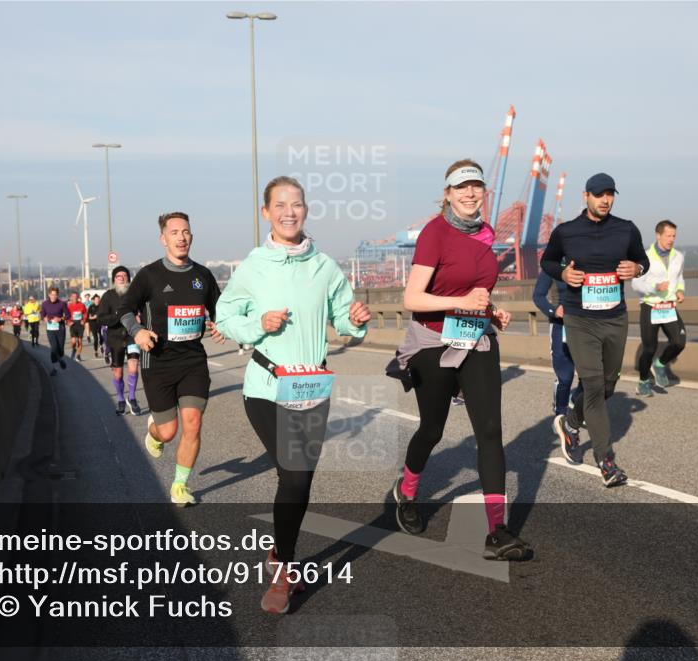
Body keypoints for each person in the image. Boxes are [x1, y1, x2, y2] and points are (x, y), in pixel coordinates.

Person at [215, 176, 371, 614]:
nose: (289, 211)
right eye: (280, 204)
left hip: (311, 387)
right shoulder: (254, 265)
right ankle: (284, 571)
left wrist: (357, 319)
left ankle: (278, 550)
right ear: (266, 212)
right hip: (265, 386)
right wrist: (256, 325)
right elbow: (225, 316)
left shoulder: (324, 266)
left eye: (297, 204)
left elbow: (346, 319)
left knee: (298, 481)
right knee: (295, 474)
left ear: (306, 210)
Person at [388, 159, 525, 562]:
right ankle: (407, 492)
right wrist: (462, 302)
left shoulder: (485, 234)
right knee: (432, 429)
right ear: (447, 193)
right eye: (461, 187)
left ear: (484, 192)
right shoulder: (435, 233)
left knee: (489, 431)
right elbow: (412, 299)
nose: (470, 193)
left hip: (475, 338)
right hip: (433, 340)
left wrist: (490, 310)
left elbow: (475, 288)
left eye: (476, 186)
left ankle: (497, 530)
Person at [541, 172, 650, 487]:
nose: (605, 199)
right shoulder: (566, 232)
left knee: (606, 387)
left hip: (615, 318)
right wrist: (563, 273)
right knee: (591, 385)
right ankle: (607, 461)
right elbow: (547, 262)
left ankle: (571, 424)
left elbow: (642, 259)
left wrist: (637, 268)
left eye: (610, 194)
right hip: (580, 319)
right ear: (585, 195)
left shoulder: (626, 229)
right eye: (599, 194)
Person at [120, 212, 224, 508]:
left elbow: (219, 311)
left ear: (192, 236)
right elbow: (126, 308)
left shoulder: (202, 275)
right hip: (159, 362)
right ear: (163, 239)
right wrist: (137, 331)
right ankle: (155, 432)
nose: (181, 237)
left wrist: (223, 325)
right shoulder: (150, 275)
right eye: (175, 232)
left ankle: (180, 485)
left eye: (186, 231)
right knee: (169, 431)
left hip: (193, 361)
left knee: (193, 422)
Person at [631, 220, 687, 395]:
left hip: (668, 306)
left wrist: (679, 290)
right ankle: (643, 382)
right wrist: (655, 287)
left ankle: (660, 364)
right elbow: (636, 284)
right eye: (668, 235)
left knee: (679, 341)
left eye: (673, 236)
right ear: (658, 235)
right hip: (650, 306)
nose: (671, 239)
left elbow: (680, 277)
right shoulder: (644, 257)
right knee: (649, 348)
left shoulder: (678, 256)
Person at [532, 268, 583, 456]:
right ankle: (560, 416)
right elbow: (538, 296)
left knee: (589, 375)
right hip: (561, 326)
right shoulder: (553, 263)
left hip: (586, 325)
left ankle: (575, 403)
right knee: (565, 377)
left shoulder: (590, 256)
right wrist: (554, 311)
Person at [98, 267, 141, 416]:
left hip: (132, 336)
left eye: (124, 275)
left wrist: (140, 318)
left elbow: (143, 311)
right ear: (114, 279)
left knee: (134, 367)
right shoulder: (108, 296)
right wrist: (118, 317)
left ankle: (133, 397)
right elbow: (101, 317)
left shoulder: (135, 295)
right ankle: (121, 400)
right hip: (115, 338)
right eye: (118, 276)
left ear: (128, 278)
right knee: (117, 373)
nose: (121, 278)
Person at [41, 286, 70, 376]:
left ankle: (61, 358)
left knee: (60, 348)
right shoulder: (45, 304)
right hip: (50, 329)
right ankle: (54, 368)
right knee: (54, 348)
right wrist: (44, 318)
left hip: (60, 328)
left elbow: (68, 315)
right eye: (52, 295)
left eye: (55, 295)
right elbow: (42, 314)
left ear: (57, 295)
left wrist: (61, 318)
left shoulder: (62, 303)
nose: (53, 297)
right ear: (49, 295)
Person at [66, 292, 88, 361]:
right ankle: (73, 349)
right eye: (73, 296)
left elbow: (85, 313)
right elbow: (66, 315)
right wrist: (68, 322)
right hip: (73, 323)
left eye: (76, 296)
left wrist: (83, 321)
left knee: (80, 341)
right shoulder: (69, 306)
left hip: (80, 324)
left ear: (78, 297)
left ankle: (78, 355)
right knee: (73, 341)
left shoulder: (82, 305)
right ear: (71, 297)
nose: (75, 298)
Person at [88, 294, 103, 358]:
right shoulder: (91, 307)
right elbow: (89, 317)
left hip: (101, 323)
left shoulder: (102, 306)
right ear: (93, 300)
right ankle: (96, 351)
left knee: (102, 336)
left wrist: (99, 316)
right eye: (96, 299)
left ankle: (101, 345)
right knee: (96, 338)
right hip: (93, 324)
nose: (97, 301)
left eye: (98, 299)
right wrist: (94, 317)